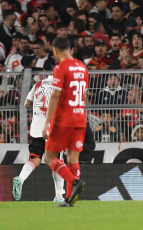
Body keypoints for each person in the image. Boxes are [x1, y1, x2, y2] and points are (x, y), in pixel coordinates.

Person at [42, 37, 88, 207]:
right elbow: (83, 96)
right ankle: (69, 200)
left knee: (49, 157)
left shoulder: (60, 68)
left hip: (63, 119)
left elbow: (55, 95)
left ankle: (74, 182)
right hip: (80, 118)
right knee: (73, 159)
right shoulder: (83, 67)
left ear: (55, 51)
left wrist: (47, 123)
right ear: (70, 49)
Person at [12, 75, 65, 202]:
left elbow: (27, 104)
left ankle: (21, 178)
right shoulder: (61, 86)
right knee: (57, 162)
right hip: (53, 129)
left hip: (36, 129)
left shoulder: (38, 84)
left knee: (35, 159)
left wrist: (38, 109)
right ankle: (59, 196)